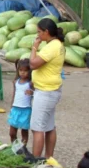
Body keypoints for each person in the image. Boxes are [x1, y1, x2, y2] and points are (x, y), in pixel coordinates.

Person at [28, 18, 66, 159]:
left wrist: (34, 48)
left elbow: (33, 64)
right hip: (52, 89)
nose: (38, 35)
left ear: (46, 32)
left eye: (39, 32)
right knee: (49, 126)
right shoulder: (57, 44)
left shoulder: (52, 47)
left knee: (37, 128)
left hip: (46, 91)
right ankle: (49, 158)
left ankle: (35, 161)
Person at [6, 58, 33, 147]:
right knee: (12, 132)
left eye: (25, 71)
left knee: (24, 132)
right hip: (15, 109)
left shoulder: (30, 83)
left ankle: (23, 148)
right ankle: (15, 147)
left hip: (26, 110)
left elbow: (37, 93)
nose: (22, 72)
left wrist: (32, 92)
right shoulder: (15, 82)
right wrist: (11, 106)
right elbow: (14, 94)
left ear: (30, 71)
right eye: (21, 70)